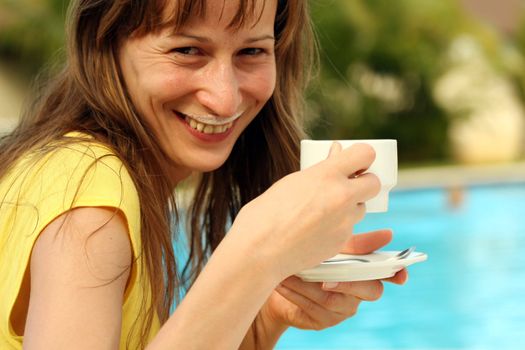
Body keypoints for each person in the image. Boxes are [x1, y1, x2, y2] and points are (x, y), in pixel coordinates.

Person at [0, 0, 408, 349]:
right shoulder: (89, 187)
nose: (224, 97)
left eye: (252, 52)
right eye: (187, 50)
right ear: (105, 44)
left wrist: (262, 318)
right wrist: (257, 253)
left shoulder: (60, 168)